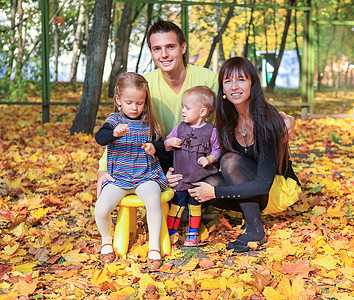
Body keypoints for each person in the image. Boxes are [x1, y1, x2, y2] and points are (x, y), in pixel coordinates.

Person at [97, 20, 296, 196]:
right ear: (151, 52)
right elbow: (122, 127)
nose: (164, 54)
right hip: (164, 159)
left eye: (170, 47)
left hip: (203, 159)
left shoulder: (207, 79)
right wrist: (102, 169)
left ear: (183, 47)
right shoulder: (145, 86)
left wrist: (283, 117)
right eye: (157, 49)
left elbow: (241, 99)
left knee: (225, 160)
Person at [188, 57, 301, 253]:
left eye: (241, 79)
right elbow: (208, 155)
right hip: (254, 187)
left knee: (230, 162)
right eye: (228, 81)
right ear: (222, 88)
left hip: (278, 188)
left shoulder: (267, 119)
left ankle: (255, 231)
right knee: (204, 181)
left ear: (252, 84)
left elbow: (262, 183)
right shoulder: (227, 118)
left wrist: (214, 194)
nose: (234, 86)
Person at [94, 72, 167, 269]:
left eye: (139, 103)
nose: (134, 108)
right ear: (118, 100)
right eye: (129, 102)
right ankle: (107, 241)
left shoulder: (149, 121)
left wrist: (154, 147)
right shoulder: (114, 120)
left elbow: (161, 145)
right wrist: (113, 133)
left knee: (153, 201)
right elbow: (99, 137)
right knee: (101, 208)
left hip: (146, 176)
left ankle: (153, 248)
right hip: (119, 178)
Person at [164, 85, 220, 247]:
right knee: (176, 206)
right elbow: (167, 144)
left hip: (199, 178)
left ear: (202, 112)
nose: (183, 111)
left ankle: (192, 234)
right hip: (181, 177)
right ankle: (170, 234)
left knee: (195, 207)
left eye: (187, 108)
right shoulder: (179, 128)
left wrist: (209, 159)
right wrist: (169, 142)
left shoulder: (211, 131)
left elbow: (217, 149)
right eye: (183, 107)